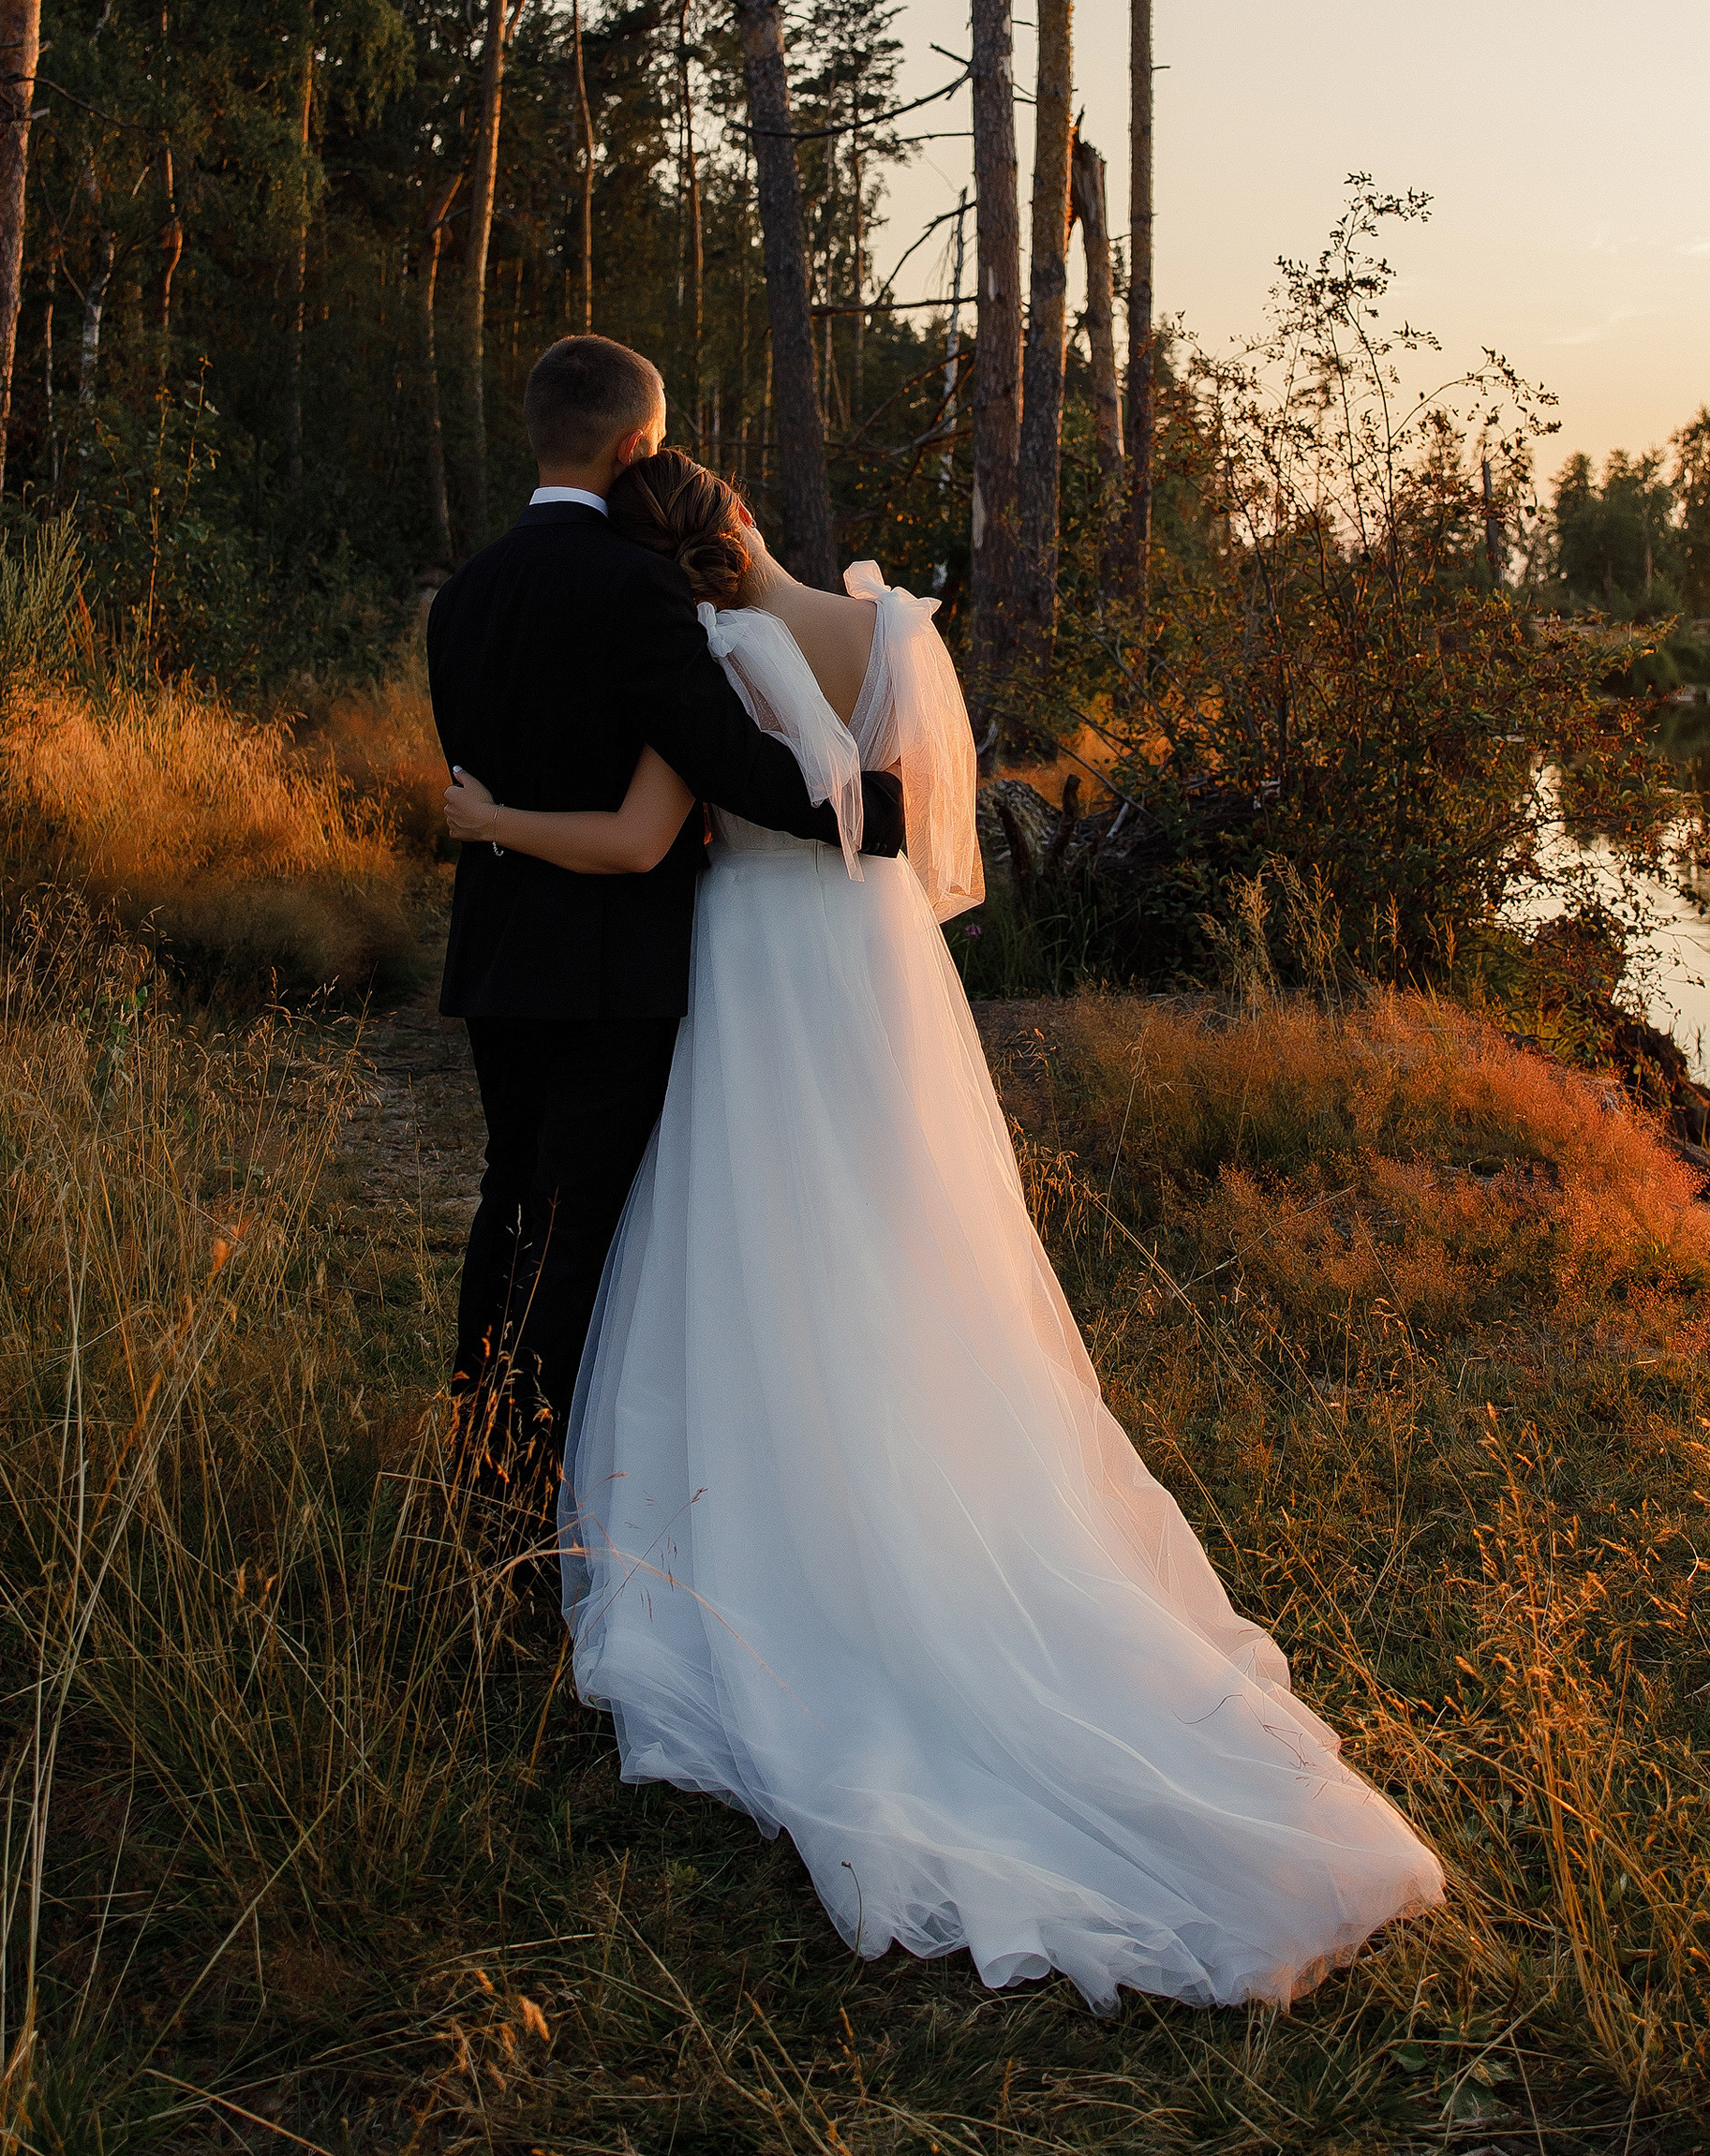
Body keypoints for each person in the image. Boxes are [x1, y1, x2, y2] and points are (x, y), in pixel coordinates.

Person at [440, 444, 1444, 2013]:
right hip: (883, 971)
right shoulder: (903, 627)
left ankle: (781, 1511)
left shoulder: (702, 659)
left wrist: (488, 812)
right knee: (905, 1247)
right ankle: (922, 1478)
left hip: (756, 971)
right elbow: (939, 841)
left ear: (667, 569)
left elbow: (648, 834)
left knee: (761, 1251)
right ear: (749, 521)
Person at [424, 333, 905, 1498]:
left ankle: (479, 1460)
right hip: (607, 967)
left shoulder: (464, 594)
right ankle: (533, 1490)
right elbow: (726, 761)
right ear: (640, 442)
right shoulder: (640, 588)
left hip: (497, 950)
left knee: (507, 1199)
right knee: (581, 1221)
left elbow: (492, 772)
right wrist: (875, 809)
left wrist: (489, 825)